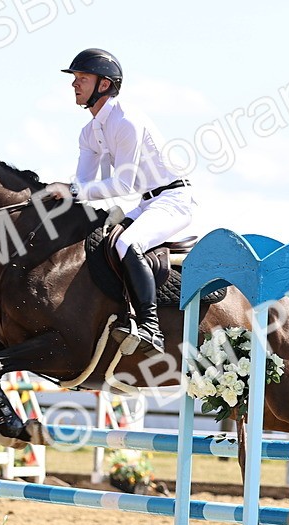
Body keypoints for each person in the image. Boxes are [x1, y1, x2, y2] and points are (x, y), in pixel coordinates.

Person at [43, 48, 194, 357]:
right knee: (97, 242)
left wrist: (70, 191)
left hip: (174, 199)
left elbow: (124, 185)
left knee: (126, 244)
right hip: (147, 203)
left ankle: (150, 327)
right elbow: (84, 185)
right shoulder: (89, 132)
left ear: (104, 85)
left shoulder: (126, 121)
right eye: (75, 78)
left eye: (82, 78)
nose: (75, 84)